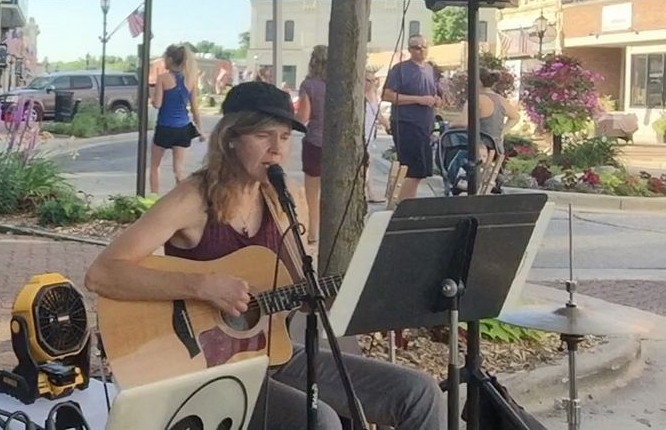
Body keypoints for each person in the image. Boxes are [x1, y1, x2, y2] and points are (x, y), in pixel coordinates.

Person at [85, 81, 445, 430]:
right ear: (230, 140)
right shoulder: (192, 200)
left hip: (275, 353)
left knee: (419, 393)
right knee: (317, 420)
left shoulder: (283, 196)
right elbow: (102, 274)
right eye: (263, 136)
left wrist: (324, 295)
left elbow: (298, 290)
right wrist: (202, 285)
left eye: (285, 137)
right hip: (204, 367)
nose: (277, 149)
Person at [382, 35, 440, 201]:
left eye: (424, 46)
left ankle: (404, 201)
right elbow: (387, 95)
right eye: (416, 47)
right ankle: (402, 205)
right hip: (406, 123)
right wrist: (418, 99)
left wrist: (436, 100)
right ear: (409, 50)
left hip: (425, 126)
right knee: (412, 169)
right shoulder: (400, 69)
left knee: (421, 170)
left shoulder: (429, 69)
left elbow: (432, 93)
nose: (421, 50)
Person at [150, 44, 204, 195]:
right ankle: (179, 199)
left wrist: (151, 96)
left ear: (169, 59)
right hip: (183, 128)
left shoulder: (163, 78)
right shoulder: (190, 80)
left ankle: (154, 199)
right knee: (179, 169)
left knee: (155, 166)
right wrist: (200, 130)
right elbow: (195, 108)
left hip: (165, 127)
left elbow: (157, 104)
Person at [296, 45, 327, 247]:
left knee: (312, 191)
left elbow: (303, 117)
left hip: (315, 141)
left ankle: (314, 231)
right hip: (338, 144)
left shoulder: (309, 85)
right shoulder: (342, 83)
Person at [475, 69, 520, 151]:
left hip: (481, 148)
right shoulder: (500, 99)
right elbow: (515, 117)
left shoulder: (478, 99)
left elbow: (463, 123)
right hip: (497, 147)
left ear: (478, 82)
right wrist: (502, 132)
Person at [363, 66, 384, 204]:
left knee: (367, 164)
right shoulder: (360, 95)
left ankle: (369, 192)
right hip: (363, 133)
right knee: (365, 164)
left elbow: (378, 114)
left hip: (370, 135)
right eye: (368, 80)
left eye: (373, 80)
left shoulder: (373, 95)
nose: (371, 83)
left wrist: (388, 125)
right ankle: (369, 192)